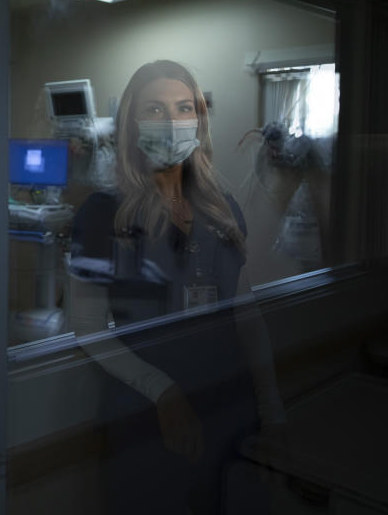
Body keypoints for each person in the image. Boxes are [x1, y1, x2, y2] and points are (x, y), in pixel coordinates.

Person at [68, 60, 284, 514]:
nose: (172, 122)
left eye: (184, 108)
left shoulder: (222, 209)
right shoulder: (102, 214)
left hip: (229, 408)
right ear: (131, 124)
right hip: (146, 420)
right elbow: (85, 323)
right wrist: (161, 389)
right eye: (155, 108)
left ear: (199, 121)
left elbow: (246, 315)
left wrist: (272, 408)